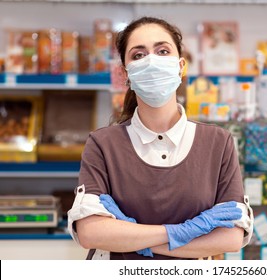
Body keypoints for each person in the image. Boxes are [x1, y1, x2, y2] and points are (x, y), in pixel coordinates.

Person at [67, 16, 253, 260]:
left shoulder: (218, 143)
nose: (152, 61)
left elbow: (230, 238)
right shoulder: (103, 144)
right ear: (126, 74)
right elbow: (91, 232)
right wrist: (185, 232)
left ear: (181, 65)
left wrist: (133, 239)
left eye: (163, 51)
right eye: (138, 55)